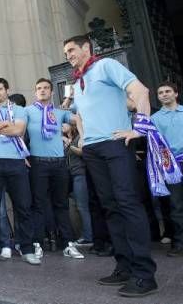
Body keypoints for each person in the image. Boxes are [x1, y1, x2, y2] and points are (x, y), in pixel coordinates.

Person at [63, 34, 157, 297]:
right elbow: (81, 114)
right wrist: (82, 136)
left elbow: (140, 91)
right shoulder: (78, 83)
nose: (68, 55)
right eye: (65, 52)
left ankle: (144, 275)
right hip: (92, 150)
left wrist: (140, 127)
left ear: (86, 48)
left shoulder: (106, 66)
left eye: (71, 49)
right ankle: (124, 266)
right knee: (110, 207)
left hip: (116, 144)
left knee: (127, 202)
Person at [0, 78, 39, 265]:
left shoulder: (19, 110)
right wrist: (4, 124)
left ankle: (26, 248)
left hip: (16, 162)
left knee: (23, 206)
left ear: (7, 90)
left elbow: (18, 130)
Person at [24, 78, 84, 259]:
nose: (42, 91)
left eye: (46, 88)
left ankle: (67, 244)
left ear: (51, 92)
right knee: (38, 205)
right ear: (35, 92)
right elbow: (17, 130)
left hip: (59, 163)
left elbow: (78, 117)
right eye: (39, 88)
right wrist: (23, 155)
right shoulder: (27, 111)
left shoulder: (59, 112)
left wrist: (82, 136)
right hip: (37, 162)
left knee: (61, 204)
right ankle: (37, 244)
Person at [151, 81, 183, 257]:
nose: (164, 94)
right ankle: (179, 243)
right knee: (176, 205)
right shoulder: (155, 119)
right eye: (160, 92)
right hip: (171, 165)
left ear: (176, 94)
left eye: (167, 91)